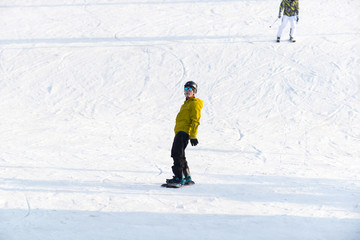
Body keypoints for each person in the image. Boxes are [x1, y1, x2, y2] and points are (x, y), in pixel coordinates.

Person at [166, 81, 203, 187]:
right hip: (180, 132)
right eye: (186, 89)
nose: (187, 91)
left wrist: (193, 136)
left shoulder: (195, 104)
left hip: (184, 133)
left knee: (176, 153)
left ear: (194, 92)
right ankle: (186, 177)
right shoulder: (186, 104)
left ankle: (178, 178)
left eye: (190, 89)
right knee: (180, 154)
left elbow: (195, 120)